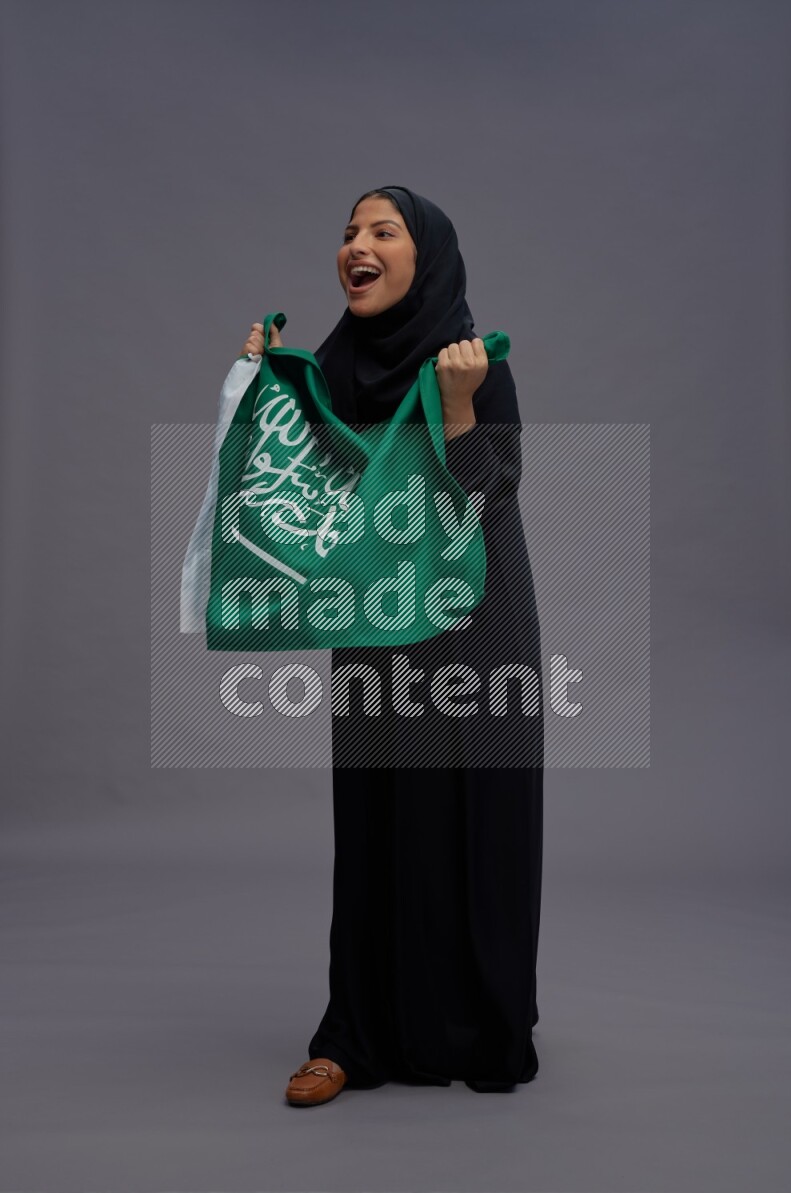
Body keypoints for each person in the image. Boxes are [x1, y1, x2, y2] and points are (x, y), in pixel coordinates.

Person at [240, 185, 544, 1106]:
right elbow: (300, 502)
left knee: (474, 823)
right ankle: (353, 1035)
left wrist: (457, 408)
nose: (356, 246)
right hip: (377, 625)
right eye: (347, 233)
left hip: (477, 630)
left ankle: (483, 1027)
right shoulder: (333, 371)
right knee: (375, 824)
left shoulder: (474, 363)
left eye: (382, 231)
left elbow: (484, 496)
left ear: (429, 258)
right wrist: (267, 390)